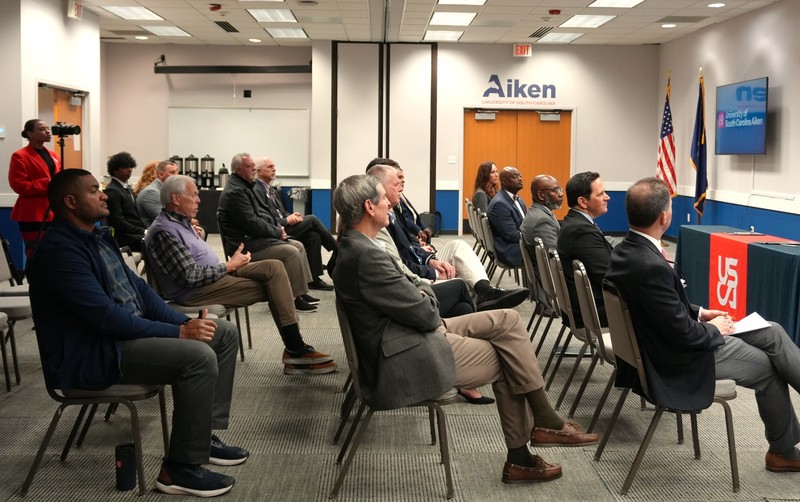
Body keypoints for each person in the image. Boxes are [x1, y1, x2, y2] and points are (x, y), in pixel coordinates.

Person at [331, 174, 598, 484]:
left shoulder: (355, 246)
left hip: (401, 336)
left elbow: (413, 293)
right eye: (383, 197)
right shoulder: (367, 256)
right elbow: (427, 314)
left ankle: (543, 423)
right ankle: (523, 453)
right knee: (509, 359)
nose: (390, 202)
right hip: (403, 357)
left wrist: (418, 288)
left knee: (508, 320)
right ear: (368, 206)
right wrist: (424, 290)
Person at [28, 168, 248, 497]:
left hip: (121, 338)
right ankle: (180, 468)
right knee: (198, 357)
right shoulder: (60, 252)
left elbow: (142, 293)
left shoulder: (99, 238)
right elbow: (106, 319)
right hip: (95, 353)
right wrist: (178, 334)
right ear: (71, 202)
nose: (104, 195)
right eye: (93, 191)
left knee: (223, 332)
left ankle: (203, 438)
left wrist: (181, 324)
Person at [607, 176, 800, 473]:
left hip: (665, 342)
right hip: (677, 359)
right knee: (769, 368)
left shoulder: (624, 250)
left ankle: (784, 446)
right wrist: (715, 329)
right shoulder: (650, 265)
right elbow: (680, 332)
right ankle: (782, 452)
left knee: (771, 330)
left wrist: (700, 313)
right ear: (664, 216)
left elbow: (659, 308)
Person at [145, 175, 336, 375]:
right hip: (197, 290)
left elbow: (193, 254)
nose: (199, 200)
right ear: (176, 199)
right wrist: (228, 266)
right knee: (274, 286)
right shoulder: (163, 232)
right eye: (193, 195)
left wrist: (204, 240)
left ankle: (295, 350)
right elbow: (189, 276)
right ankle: (296, 349)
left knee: (274, 267)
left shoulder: (180, 222)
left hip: (216, 275)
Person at [368, 163, 528, 312]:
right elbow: (401, 263)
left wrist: (429, 258)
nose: (401, 187)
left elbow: (409, 243)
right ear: (380, 188)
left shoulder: (393, 210)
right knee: (462, 287)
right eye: (396, 184)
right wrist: (432, 271)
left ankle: (486, 292)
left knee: (459, 246)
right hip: (415, 274)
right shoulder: (381, 221)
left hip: (420, 260)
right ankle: (481, 305)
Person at [217, 153, 319, 312]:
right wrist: (277, 232)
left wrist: (277, 230)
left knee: (297, 245)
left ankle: (300, 293)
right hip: (244, 248)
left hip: (254, 240)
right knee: (291, 251)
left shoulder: (244, 187)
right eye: (249, 166)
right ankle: (292, 299)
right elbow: (252, 223)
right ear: (237, 170)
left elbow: (260, 218)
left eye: (253, 165)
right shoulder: (236, 192)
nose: (253, 170)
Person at [253, 156, 336, 291]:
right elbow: (264, 219)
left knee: (313, 235)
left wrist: (290, 216)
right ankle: (337, 249)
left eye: (274, 166)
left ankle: (313, 279)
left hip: (285, 225)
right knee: (312, 219)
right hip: (276, 230)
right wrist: (286, 220)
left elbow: (281, 211)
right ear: (259, 171)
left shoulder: (271, 189)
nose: (274, 169)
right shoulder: (256, 191)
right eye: (270, 167)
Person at [556, 171, 612, 328]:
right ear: (582, 201)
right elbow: (609, 277)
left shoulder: (575, 222)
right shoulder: (581, 231)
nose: (607, 197)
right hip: (594, 312)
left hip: (587, 306)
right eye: (601, 194)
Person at [8, 119, 62, 257]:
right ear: (30, 134)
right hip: (33, 213)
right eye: (42, 129)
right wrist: (47, 183)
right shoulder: (20, 156)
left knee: (55, 251)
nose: (48, 131)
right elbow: (19, 185)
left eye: (48, 128)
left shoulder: (54, 155)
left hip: (54, 211)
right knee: (37, 253)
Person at [520, 174, 563, 315]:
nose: (561, 194)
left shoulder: (538, 213)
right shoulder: (542, 221)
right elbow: (556, 259)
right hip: (550, 282)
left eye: (560, 189)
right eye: (556, 190)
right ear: (541, 194)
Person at [104, 151, 147, 251]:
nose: (130, 170)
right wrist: (143, 231)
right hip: (126, 238)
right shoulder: (112, 190)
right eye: (125, 167)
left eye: (131, 167)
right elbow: (118, 221)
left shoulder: (126, 188)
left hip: (135, 234)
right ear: (115, 170)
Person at [487, 166, 526, 267]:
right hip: (510, 251)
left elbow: (525, 224)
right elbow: (512, 236)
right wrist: (534, 236)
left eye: (520, 175)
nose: (520, 178)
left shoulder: (518, 199)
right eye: (515, 176)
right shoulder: (499, 204)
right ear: (504, 181)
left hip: (516, 244)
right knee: (545, 253)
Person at [395, 165, 433, 244]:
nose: (403, 181)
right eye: (399, 177)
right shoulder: (393, 200)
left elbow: (413, 214)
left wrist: (424, 227)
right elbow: (402, 220)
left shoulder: (401, 195)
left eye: (403, 177)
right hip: (411, 238)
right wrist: (417, 230)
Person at [136, 160, 179, 226]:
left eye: (177, 172)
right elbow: (165, 220)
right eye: (172, 172)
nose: (176, 176)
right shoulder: (150, 193)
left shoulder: (165, 190)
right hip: (156, 233)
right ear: (161, 174)